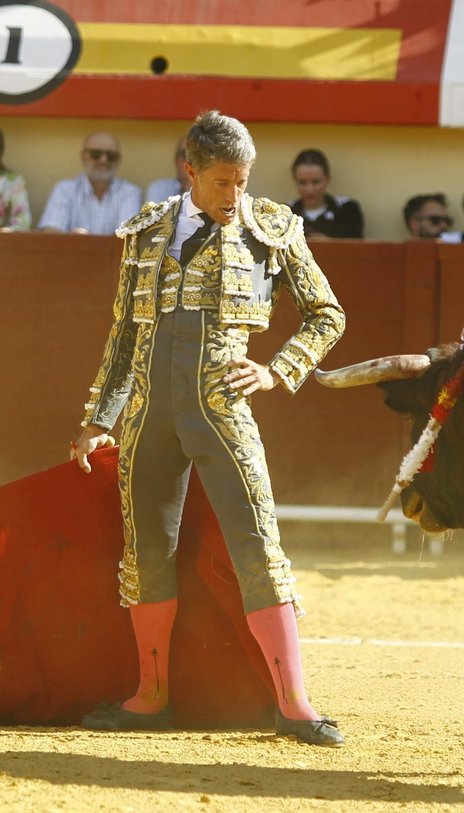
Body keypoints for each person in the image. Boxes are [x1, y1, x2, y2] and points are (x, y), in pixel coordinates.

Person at [69, 110, 347, 746]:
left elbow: (327, 315)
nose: (235, 196)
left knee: (258, 546)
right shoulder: (144, 233)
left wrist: (279, 370)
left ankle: (294, 704)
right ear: (189, 172)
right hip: (146, 416)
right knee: (147, 556)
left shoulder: (271, 229)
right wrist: (97, 419)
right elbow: (124, 336)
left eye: (243, 181)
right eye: (222, 182)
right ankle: (149, 697)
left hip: (222, 410)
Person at [38, 132, 144, 234]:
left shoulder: (130, 193)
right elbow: (50, 235)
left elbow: (128, 240)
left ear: (119, 160)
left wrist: (83, 242)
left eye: (111, 155)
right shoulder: (65, 189)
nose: (103, 160)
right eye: (96, 154)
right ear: (83, 156)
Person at [287, 148, 363, 239]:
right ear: (295, 181)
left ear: (327, 179)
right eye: (302, 182)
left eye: (316, 182)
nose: (309, 190)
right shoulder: (286, 212)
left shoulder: (347, 209)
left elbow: (356, 248)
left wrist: (329, 245)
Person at [145, 136, 192, 202]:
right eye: (186, 154)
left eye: (198, 155)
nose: (191, 161)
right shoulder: (159, 189)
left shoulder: (210, 191)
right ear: (176, 161)